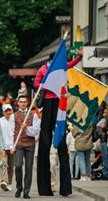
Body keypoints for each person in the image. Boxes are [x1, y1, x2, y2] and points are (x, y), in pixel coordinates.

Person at [34, 51, 82, 196]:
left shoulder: (60, 68)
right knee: (45, 139)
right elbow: (36, 84)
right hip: (48, 102)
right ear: (50, 61)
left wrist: (80, 56)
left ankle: (65, 188)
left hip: (59, 102)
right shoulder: (42, 70)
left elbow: (71, 65)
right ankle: (45, 188)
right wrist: (46, 85)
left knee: (61, 142)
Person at [11, 95, 40, 199]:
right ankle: (19, 187)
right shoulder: (13, 116)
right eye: (21, 102)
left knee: (29, 168)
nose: (23, 103)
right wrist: (11, 145)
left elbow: (37, 130)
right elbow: (11, 131)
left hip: (30, 144)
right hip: (18, 144)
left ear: (27, 103)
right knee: (18, 166)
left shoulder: (33, 115)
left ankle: (26, 191)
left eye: (24, 102)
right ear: (18, 103)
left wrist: (27, 128)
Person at [0, 104, 15, 191]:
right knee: (3, 164)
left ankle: (8, 182)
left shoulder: (15, 120)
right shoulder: (0, 121)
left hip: (13, 147)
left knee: (11, 166)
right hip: (3, 147)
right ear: (3, 112)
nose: (8, 112)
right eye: (6, 111)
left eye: (9, 110)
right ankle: (4, 181)